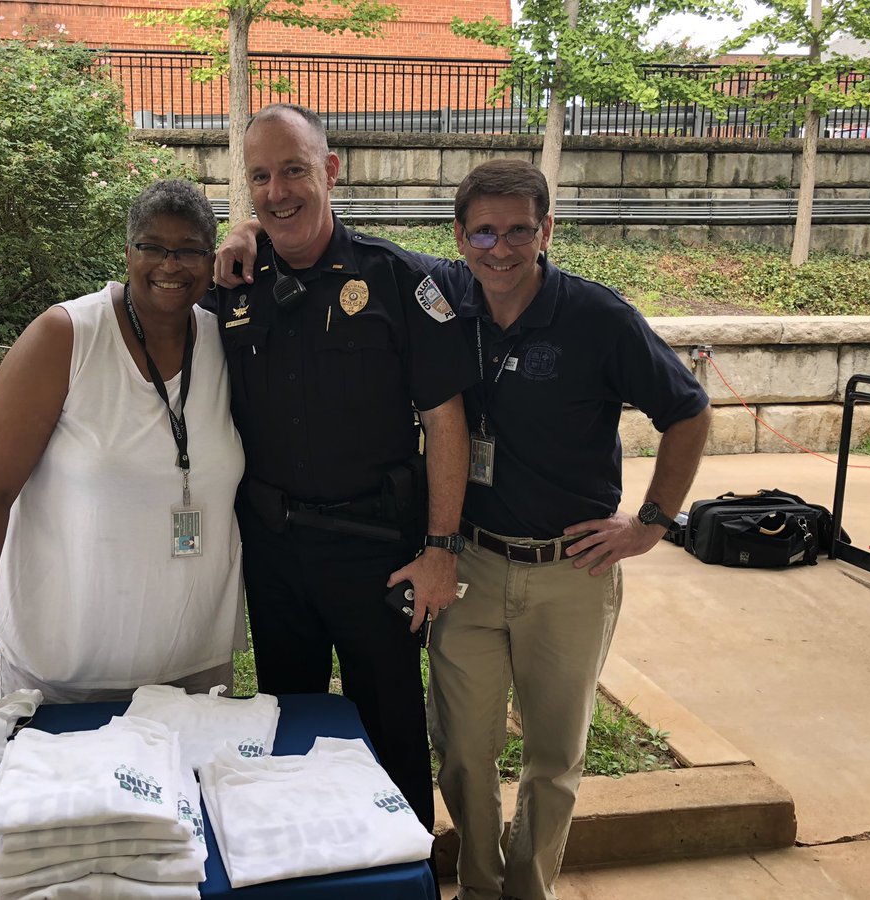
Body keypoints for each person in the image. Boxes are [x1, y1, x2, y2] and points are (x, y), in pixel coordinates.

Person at [218, 158, 712, 900]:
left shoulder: (597, 317)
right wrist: (253, 225)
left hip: (568, 573)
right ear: (460, 236)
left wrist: (650, 523)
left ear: (547, 231)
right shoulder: (443, 292)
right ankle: (479, 885)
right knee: (461, 752)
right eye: (483, 233)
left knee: (553, 758)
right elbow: (320, 231)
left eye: (519, 232)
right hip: (470, 565)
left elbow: (689, 411)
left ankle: (529, 889)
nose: (500, 250)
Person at [210, 103, 477, 833]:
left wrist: (441, 550)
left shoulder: (397, 282)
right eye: (260, 176)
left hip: (378, 558)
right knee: (289, 737)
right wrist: (235, 235)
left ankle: (403, 878)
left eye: (293, 169)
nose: (276, 191)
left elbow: (444, 422)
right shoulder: (232, 285)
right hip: (276, 557)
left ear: (330, 170)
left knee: (391, 737)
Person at [0, 179, 246, 730]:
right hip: (68, 676)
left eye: (189, 249)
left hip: (195, 667)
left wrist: (254, 228)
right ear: (127, 253)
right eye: (152, 247)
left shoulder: (227, 340)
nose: (170, 265)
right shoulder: (67, 336)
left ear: (209, 258)